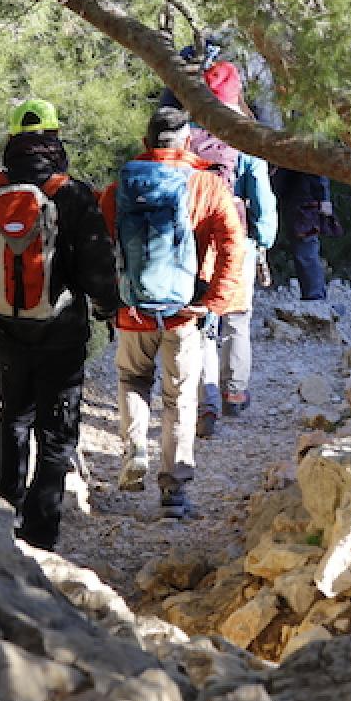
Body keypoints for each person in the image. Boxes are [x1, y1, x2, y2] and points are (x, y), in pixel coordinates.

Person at [0, 97, 121, 551]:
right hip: (61, 332)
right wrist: (107, 310)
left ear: (12, 141)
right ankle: (41, 535)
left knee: (14, 416)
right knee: (57, 431)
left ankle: (5, 510)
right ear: (55, 140)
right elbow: (98, 268)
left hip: (4, 327)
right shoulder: (74, 194)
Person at [98, 107, 243, 518]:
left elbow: (100, 240)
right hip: (184, 312)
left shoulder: (122, 185)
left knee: (132, 378)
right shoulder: (207, 185)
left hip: (132, 311)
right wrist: (215, 300)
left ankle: (134, 449)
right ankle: (173, 493)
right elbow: (232, 243)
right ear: (186, 142)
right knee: (178, 398)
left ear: (146, 142)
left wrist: (110, 297)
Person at [186, 62, 279, 437]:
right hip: (236, 237)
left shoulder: (187, 137)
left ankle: (206, 399)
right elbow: (262, 198)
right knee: (237, 319)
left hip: (196, 238)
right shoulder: (246, 140)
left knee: (203, 321)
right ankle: (235, 393)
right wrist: (263, 241)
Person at [270, 167, 337, 301]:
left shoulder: (305, 153)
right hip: (301, 198)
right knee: (306, 249)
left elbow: (316, 166)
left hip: (304, 200)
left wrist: (323, 197)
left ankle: (315, 298)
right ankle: (315, 297)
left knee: (305, 250)